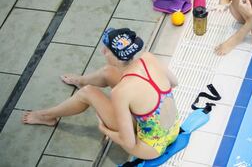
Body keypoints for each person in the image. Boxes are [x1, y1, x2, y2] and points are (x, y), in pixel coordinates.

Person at [22, 28, 180, 160]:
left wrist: (104, 130)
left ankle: (46, 116)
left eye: (107, 50)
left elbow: (129, 143)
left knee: (88, 92)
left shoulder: (121, 92)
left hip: (151, 149)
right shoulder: (148, 57)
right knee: (108, 72)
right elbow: (174, 83)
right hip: (173, 129)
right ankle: (81, 80)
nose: (102, 51)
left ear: (117, 57)